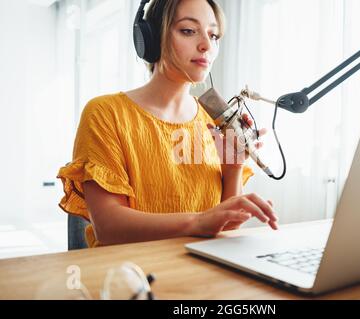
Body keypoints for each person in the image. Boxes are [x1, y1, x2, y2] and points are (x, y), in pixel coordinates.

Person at [57, 0, 278, 248]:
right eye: (188, 31)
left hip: (198, 274)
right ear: (150, 38)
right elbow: (109, 228)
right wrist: (197, 221)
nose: (207, 45)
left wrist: (234, 167)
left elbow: (225, 226)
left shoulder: (213, 121)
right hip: (129, 277)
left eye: (213, 35)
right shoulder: (105, 114)